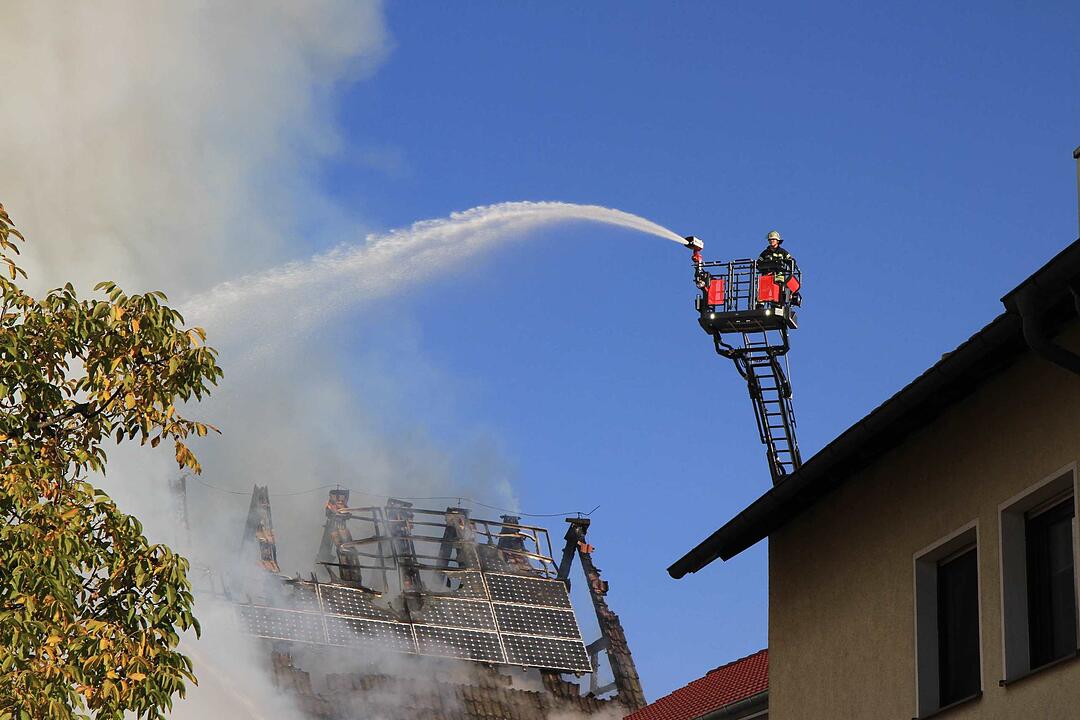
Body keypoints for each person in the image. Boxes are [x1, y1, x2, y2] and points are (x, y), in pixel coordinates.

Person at [757, 231, 800, 306]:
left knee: (778, 293)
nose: (771, 241)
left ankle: (776, 305)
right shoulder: (765, 253)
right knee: (762, 291)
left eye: (773, 239)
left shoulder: (783, 252)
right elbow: (758, 264)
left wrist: (786, 264)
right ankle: (760, 306)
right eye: (770, 239)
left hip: (779, 277)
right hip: (767, 277)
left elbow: (792, 261)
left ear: (777, 241)